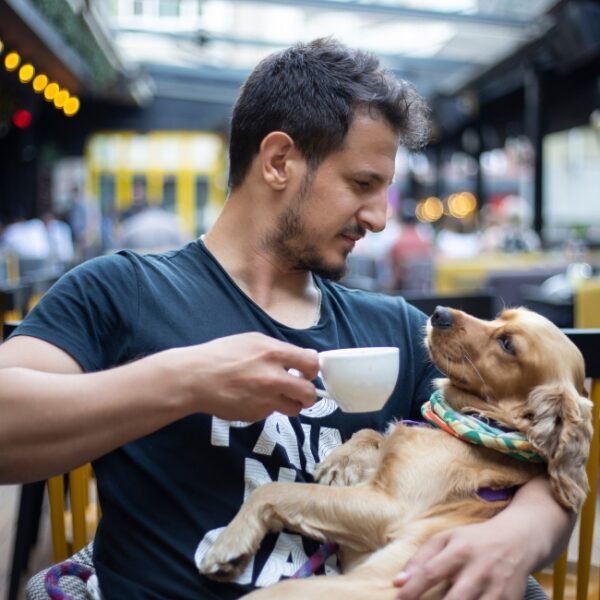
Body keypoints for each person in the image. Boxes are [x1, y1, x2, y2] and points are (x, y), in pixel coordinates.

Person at [0, 39, 572, 600]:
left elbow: (540, 464)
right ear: (278, 162)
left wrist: (517, 540)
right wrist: (184, 382)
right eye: (362, 184)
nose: (377, 217)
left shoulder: (395, 329)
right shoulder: (122, 290)